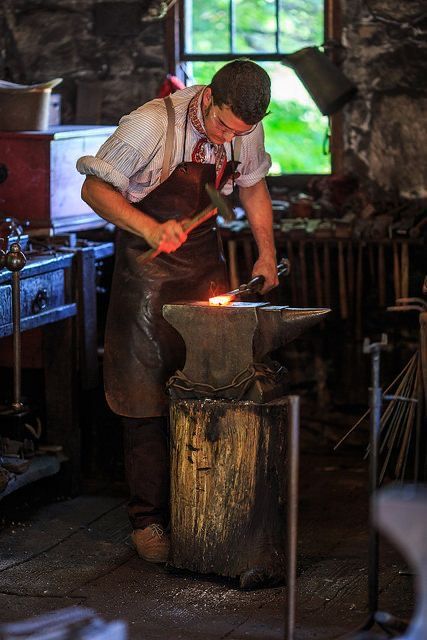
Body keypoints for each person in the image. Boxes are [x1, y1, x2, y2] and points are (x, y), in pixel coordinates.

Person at [76, 59, 278, 563]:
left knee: (211, 387)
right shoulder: (150, 123)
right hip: (146, 274)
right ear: (209, 97)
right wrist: (148, 228)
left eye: (241, 131)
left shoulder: (244, 127)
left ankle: (205, 508)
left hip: (203, 266)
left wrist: (267, 251)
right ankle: (147, 521)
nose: (229, 137)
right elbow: (94, 189)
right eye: (224, 125)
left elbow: (251, 185)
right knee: (143, 396)